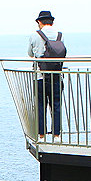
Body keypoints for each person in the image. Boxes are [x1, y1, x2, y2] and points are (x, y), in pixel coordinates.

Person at [27, 10, 64, 140]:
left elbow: (30, 53)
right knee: (56, 105)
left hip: (40, 76)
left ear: (39, 21)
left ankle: (41, 135)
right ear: (52, 21)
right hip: (56, 75)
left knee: (41, 105)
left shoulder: (35, 35)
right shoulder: (59, 35)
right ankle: (57, 135)